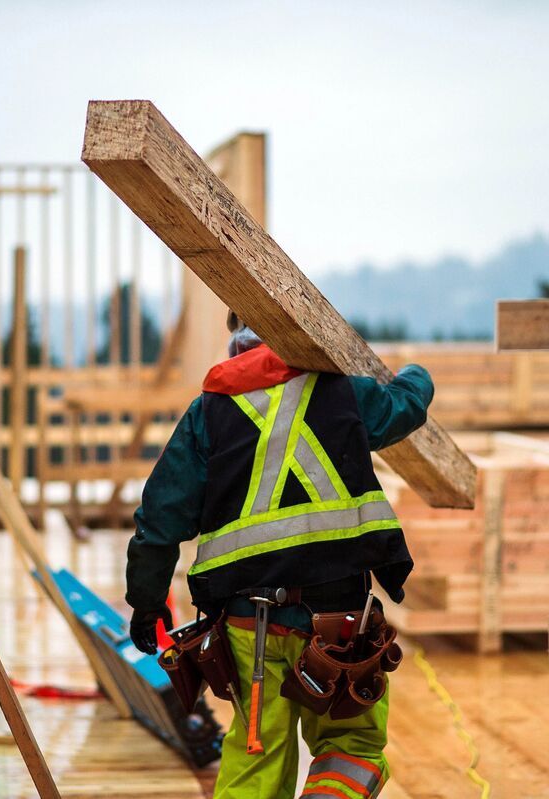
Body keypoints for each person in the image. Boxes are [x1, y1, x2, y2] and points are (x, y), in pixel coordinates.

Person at [126, 313, 433, 799]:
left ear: (235, 343)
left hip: (250, 626)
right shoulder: (344, 393)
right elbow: (405, 408)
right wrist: (418, 374)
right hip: (340, 625)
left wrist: (146, 601)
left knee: (256, 758)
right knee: (350, 744)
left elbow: (161, 518)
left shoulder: (209, 412)